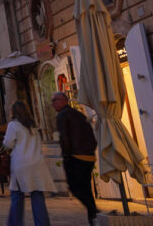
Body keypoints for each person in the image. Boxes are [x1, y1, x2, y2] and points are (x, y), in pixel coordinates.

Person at [3, 100, 55, 226]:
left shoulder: (13, 125)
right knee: (37, 197)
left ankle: (14, 223)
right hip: (37, 164)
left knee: (17, 197)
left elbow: (8, 143)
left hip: (21, 165)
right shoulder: (34, 126)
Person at [52, 91, 98, 226]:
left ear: (62, 100)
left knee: (75, 187)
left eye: (54, 100)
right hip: (88, 157)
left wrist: (67, 156)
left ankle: (94, 212)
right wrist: (90, 151)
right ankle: (93, 217)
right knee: (86, 188)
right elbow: (90, 134)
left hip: (75, 157)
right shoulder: (78, 114)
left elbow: (64, 138)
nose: (52, 104)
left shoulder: (62, 115)